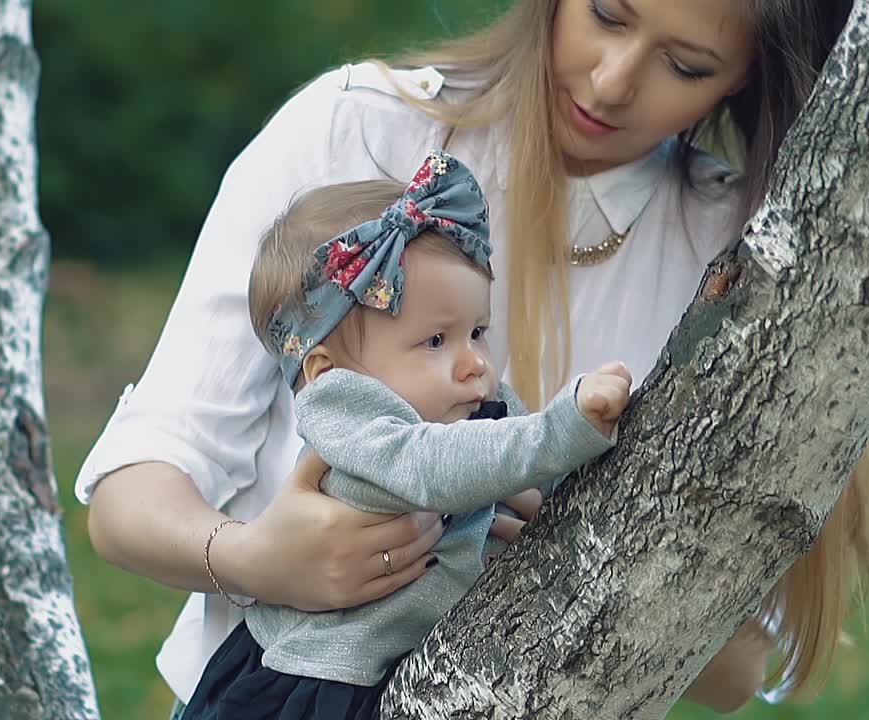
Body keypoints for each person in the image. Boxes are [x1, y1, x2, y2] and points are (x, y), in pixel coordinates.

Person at [78, 0, 869, 714]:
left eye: (685, 65)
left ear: (742, 80)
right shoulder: (355, 130)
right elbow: (131, 492)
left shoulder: (744, 256)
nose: (609, 82)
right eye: (606, 14)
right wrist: (254, 558)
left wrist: (583, 560)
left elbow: (736, 672)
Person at [182, 151, 631, 719]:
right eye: (437, 341)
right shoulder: (352, 419)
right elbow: (435, 467)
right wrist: (562, 427)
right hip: (311, 685)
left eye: (478, 331)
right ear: (327, 371)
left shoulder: (473, 409)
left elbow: (533, 464)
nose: (474, 363)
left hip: (400, 669)